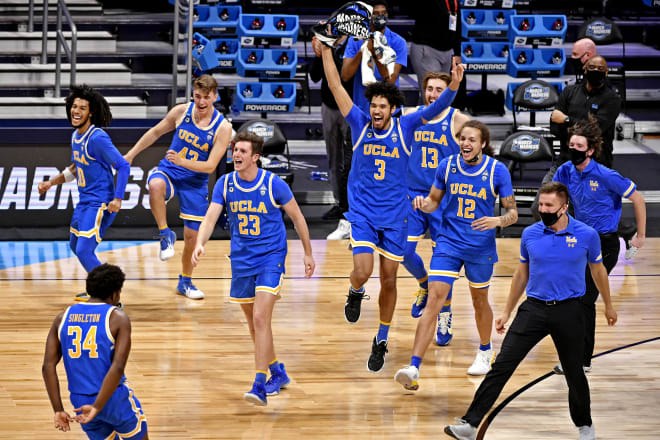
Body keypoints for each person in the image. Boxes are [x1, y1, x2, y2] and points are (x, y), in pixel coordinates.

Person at [322, 37, 463, 372]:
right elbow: (334, 83)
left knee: (388, 280)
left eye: (382, 107)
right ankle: (355, 291)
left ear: (392, 110)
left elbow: (434, 108)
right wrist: (328, 49)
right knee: (363, 271)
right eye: (373, 105)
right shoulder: (358, 123)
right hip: (364, 214)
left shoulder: (407, 126)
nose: (376, 111)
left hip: (395, 215)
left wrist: (454, 85)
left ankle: (381, 340)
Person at [444, 182, 617, 440]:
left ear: (564, 207)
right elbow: (521, 275)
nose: (543, 209)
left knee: (574, 372)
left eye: (549, 205)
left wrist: (608, 305)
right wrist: (506, 311)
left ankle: (585, 425)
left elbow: (598, 270)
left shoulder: (587, 235)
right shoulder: (531, 234)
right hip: (533, 309)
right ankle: (470, 424)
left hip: (570, 311)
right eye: (541, 204)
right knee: (502, 365)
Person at [192, 132, 315, 406]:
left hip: (271, 257)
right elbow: (210, 218)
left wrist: (308, 253)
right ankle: (277, 371)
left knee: (260, 318)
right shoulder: (224, 184)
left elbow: (298, 218)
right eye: (235, 150)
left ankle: (259, 384)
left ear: (256, 157)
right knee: (254, 324)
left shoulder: (274, 184)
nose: (236, 155)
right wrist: (200, 243)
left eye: (242, 151)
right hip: (241, 260)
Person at [394, 120, 517, 388]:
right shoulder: (447, 166)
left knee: (479, 302)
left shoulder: (497, 172)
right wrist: (422, 205)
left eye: (472, 139)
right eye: (462, 138)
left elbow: (512, 214)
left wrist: (496, 221)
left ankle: (485, 350)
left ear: (483, 143)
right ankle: (414, 367)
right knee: (435, 300)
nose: (466, 143)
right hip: (448, 242)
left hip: (479, 246)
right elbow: (433, 201)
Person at [124, 74, 232, 300]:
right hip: (171, 172)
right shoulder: (181, 111)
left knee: (192, 239)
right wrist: (132, 154)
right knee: (154, 184)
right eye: (197, 96)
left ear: (215, 96)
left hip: (195, 182)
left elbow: (211, 166)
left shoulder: (223, 128)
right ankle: (165, 234)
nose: (201, 102)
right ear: (193, 94)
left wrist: (183, 161)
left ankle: (185, 282)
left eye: (206, 97)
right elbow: (155, 132)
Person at [551, 116, 645, 374]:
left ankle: (581, 360)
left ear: (590, 150)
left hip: (604, 244)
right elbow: (557, 201)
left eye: (579, 146)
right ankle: (577, 355)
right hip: (577, 241)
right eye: (571, 144)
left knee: (584, 299)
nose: (573, 150)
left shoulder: (606, 175)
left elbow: (638, 199)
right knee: (571, 297)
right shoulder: (565, 171)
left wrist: (640, 235)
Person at [38, 85, 129, 302]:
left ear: (91, 112)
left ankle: (111, 297)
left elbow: (123, 166)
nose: (76, 111)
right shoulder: (75, 136)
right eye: (74, 106)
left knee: (84, 250)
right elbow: (75, 167)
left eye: (82, 108)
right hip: (85, 202)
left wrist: (117, 198)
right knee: (74, 245)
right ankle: (97, 290)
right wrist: (51, 183)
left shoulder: (97, 138)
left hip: (100, 202)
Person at [402, 71, 470, 348]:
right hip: (413, 197)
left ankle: (445, 312)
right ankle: (423, 283)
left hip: (445, 199)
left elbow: (478, 150)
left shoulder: (458, 120)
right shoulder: (410, 114)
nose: (432, 94)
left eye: (439, 89)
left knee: (444, 263)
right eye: (429, 88)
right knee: (402, 252)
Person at [42, 264, 148, 440]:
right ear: (115, 293)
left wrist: (58, 409)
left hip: (80, 401)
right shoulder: (117, 318)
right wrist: (98, 406)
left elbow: (48, 366)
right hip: (113, 398)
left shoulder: (63, 317)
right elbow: (118, 367)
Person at [310, 33, 354, 239]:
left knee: (349, 162)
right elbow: (315, 76)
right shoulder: (324, 45)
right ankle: (339, 203)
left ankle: (350, 207)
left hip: (349, 108)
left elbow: (346, 77)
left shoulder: (353, 44)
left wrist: (328, 52)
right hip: (328, 106)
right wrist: (318, 55)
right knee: (333, 160)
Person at [551, 55, 621, 168]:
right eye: (592, 67)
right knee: (547, 184)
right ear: (585, 69)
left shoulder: (612, 99)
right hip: (566, 160)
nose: (596, 70)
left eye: (600, 68)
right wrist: (581, 127)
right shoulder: (569, 92)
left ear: (606, 72)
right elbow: (554, 125)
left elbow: (596, 128)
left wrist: (566, 119)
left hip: (597, 162)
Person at [340, 0, 408, 115]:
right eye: (375, 13)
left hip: (390, 110)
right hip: (363, 109)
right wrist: (363, 50)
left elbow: (390, 81)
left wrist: (376, 54)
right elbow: (345, 76)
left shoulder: (398, 42)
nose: (380, 16)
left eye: (384, 13)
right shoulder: (355, 39)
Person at [402, 0, 462, 104]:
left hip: (447, 51)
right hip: (426, 48)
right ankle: (424, 118)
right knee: (433, 96)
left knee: (439, 96)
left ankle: (419, 119)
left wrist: (457, 52)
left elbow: (456, 23)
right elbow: (412, 10)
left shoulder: (454, 1)